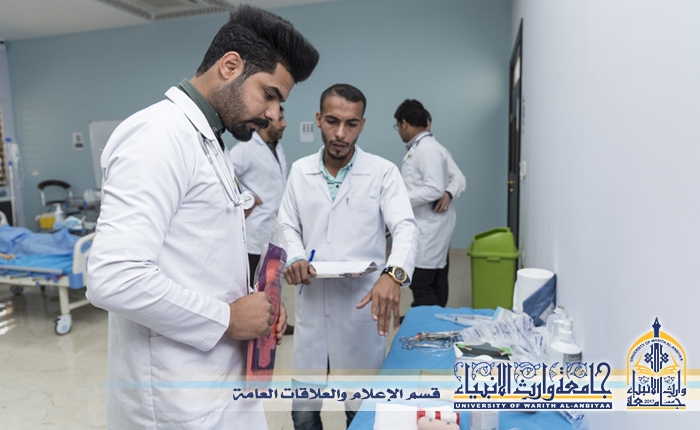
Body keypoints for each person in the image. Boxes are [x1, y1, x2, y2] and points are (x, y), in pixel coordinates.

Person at [86, 6, 319, 429]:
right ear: (230, 66)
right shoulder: (158, 135)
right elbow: (114, 277)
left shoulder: (209, 140)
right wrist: (228, 318)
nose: (273, 113)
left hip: (221, 379)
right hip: (176, 398)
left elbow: (199, 257)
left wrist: (257, 306)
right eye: (269, 95)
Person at [278, 84, 418, 430]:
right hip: (313, 303)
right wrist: (294, 256)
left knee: (360, 412)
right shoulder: (300, 171)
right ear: (318, 119)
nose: (340, 133)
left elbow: (405, 226)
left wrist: (393, 274)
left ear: (362, 125)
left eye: (351, 124)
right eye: (332, 121)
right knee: (304, 415)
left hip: (360, 306)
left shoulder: (382, 172)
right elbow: (286, 224)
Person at [231, 105, 295, 335]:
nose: (284, 124)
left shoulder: (277, 147)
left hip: (272, 229)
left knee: (273, 282)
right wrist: (247, 197)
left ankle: (275, 321)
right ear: (267, 119)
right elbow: (225, 175)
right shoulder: (245, 149)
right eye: (281, 119)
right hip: (253, 232)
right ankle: (257, 329)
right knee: (255, 286)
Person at [395, 99, 463, 308]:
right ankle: (432, 316)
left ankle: (429, 319)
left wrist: (397, 200)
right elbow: (452, 180)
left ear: (404, 123)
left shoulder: (427, 149)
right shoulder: (426, 147)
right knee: (436, 277)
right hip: (433, 223)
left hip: (430, 226)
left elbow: (434, 188)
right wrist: (448, 192)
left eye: (398, 126)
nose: (399, 131)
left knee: (422, 282)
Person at [424, 109, 466, 304]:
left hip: (434, 223)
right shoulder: (422, 149)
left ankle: (433, 312)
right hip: (429, 223)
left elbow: (457, 179)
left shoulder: (432, 149)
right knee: (434, 273)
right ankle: (433, 310)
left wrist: (448, 193)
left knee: (429, 276)